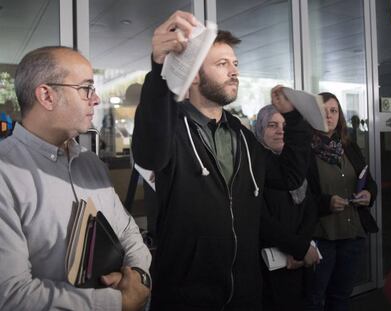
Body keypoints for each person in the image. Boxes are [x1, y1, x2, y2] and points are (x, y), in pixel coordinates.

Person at [132, 11, 318, 310]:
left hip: (245, 294)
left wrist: (294, 118)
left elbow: (288, 177)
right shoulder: (173, 130)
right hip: (186, 296)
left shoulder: (242, 137)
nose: (234, 72)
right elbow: (149, 153)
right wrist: (158, 70)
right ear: (193, 75)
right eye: (222, 64)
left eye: (235, 64)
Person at [0, 46, 152, 311]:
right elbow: (11, 295)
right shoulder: (5, 174)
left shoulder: (92, 164)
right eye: (86, 88)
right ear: (46, 95)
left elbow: (127, 231)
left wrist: (137, 276)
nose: (95, 99)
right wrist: (116, 302)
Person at [305, 92, 378, 311]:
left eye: (333, 111)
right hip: (322, 237)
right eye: (322, 111)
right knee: (314, 298)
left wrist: (368, 195)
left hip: (352, 234)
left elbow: (369, 181)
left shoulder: (349, 147)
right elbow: (298, 198)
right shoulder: (304, 151)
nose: (328, 115)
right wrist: (325, 203)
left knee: (341, 297)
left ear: (340, 116)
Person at [255, 104, 318, 311]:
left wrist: (303, 247)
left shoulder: (297, 166)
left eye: (284, 125)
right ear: (260, 129)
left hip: (301, 260)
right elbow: (262, 221)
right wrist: (297, 248)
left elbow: (310, 208)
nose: (280, 130)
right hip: (270, 266)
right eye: (272, 125)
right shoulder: (255, 167)